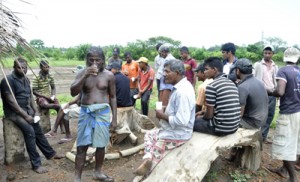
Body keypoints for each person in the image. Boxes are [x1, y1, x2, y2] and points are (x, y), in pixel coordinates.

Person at [0, 58, 63, 174]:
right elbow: (12, 103)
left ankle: (50, 153)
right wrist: (26, 116)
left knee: (38, 130)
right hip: (13, 112)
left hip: (27, 109)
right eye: (20, 67)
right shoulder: (7, 81)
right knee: (30, 131)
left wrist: (35, 111)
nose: (23, 70)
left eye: (24, 67)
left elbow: (30, 97)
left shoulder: (26, 79)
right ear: (14, 68)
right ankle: (36, 164)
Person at [134, 59, 195, 176]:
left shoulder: (182, 92)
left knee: (156, 147)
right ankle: (147, 159)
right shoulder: (182, 87)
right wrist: (166, 107)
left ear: (177, 73)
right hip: (174, 129)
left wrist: (162, 115)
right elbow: (179, 109)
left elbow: (182, 121)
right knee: (149, 135)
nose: (164, 74)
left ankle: (151, 172)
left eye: (167, 71)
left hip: (179, 133)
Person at [70, 46, 117, 182]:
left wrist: (114, 119)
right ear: (87, 60)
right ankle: (77, 177)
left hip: (102, 113)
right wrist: (85, 75)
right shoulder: (82, 73)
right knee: (82, 145)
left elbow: (113, 97)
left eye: (98, 60)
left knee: (101, 145)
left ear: (103, 60)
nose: (95, 63)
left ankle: (98, 172)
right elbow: (73, 92)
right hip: (86, 112)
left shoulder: (109, 75)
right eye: (91, 60)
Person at [266, 47, 300, 182]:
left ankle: (293, 178)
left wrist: (268, 91)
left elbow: (280, 92)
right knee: (295, 143)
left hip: (289, 112)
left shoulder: (283, 71)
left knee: (285, 145)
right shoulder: (299, 71)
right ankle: (283, 169)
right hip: (299, 111)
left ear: (285, 57)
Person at [193, 57, 240, 136]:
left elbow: (209, 116)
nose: (204, 72)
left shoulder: (212, 86)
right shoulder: (231, 83)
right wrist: (204, 112)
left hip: (221, 128)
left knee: (191, 122)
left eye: (206, 69)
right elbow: (223, 107)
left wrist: (202, 117)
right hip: (234, 126)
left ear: (214, 70)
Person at [253, 46, 278, 144]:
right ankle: (255, 136)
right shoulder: (258, 65)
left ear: (272, 54)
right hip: (261, 94)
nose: (267, 55)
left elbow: (275, 80)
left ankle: (263, 136)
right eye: (265, 53)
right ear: (263, 53)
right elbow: (253, 77)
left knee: (270, 115)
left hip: (272, 94)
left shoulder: (275, 66)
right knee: (259, 115)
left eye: (269, 53)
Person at [234, 58, 268, 129]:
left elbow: (239, 114)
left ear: (238, 70)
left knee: (224, 120)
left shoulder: (242, 87)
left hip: (252, 123)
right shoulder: (260, 82)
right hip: (262, 120)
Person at [32, 60, 63, 132]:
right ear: (41, 68)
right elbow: (34, 91)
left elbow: (53, 87)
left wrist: (53, 95)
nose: (47, 69)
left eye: (48, 67)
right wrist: (46, 97)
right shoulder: (36, 77)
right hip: (40, 97)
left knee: (56, 101)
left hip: (49, 96)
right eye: (45, 67)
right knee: (45, 104)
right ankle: (57, 107)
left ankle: (62, 127)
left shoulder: (50, 75)